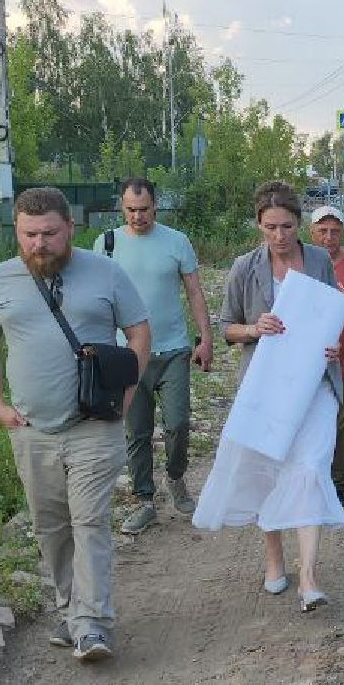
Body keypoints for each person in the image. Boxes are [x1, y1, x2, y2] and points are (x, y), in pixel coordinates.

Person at [0, 187, 151, 662]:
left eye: (49, 233)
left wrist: (126, 392)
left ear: (69, 228)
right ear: (17, 232)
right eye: (29, 234)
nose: (39, 244)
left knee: (89, 520)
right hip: (31, 427)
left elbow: (138, 332)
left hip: (94, 422)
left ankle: (93, 624)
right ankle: (71, 610)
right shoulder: (1, 279)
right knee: (50, 526)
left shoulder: (105, 273)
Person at [195, 180, 344, 612]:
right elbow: (227, 327)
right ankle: (275, 558)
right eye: (270, 227)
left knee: (312, 467)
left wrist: (334, 346)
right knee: (271, 469)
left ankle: (311, 577)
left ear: (299, 224)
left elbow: (329, 313)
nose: (279, 236)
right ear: (259, 225)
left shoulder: (317, 261)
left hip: (315, 382)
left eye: (287, 226)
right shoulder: (246, 267)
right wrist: (254, 328)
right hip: (265, 388)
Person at [91, 177, 213, 533]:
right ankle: (144, 500)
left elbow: (194, 292)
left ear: (155, 206)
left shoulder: (176, 241)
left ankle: (175, 477)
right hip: (126, 353)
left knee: (177, 423)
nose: (137, 216)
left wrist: (205, 338)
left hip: (173, 348)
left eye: (144, 210)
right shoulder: (107, 244)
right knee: (137, 431)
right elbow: (98, 299)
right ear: (121, 207)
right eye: (130, 209)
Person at [309, 205, 344, 505]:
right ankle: (310, 479)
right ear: (312, 232)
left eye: (335, 231)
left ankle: (337, 484)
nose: (329, 237)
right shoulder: (302, 263)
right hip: (308, 358)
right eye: (322, 231)